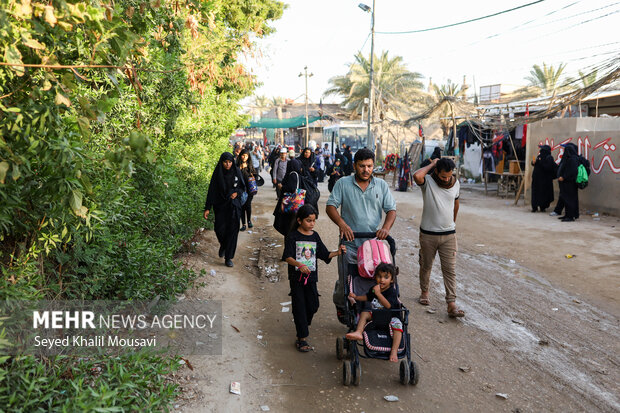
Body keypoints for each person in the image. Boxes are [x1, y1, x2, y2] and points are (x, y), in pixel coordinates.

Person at [326, 148, 397, 314]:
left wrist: (385, 228)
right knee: (347, 282)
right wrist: (342, 225)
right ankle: (341, 303)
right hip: (350, 244)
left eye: (369, 166)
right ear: (354, 166)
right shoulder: (343, 183)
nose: (366, 170)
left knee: (373, 282)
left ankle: (365, 314)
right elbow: (330, 206)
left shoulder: (381, 185)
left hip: (373, 247)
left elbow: (391, 210)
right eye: (362, 166)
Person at [282, 204, 345, 352]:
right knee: (299, 307)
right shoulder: (293, 236)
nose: (311, 224)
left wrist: (338, 252)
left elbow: (324, 254)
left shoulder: (315, 236)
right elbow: (287, 257)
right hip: (296, 278)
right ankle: (302, 338)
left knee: (313, 305)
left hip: (311, 278)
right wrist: (299, 264)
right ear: (299, 220)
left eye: (313, 221)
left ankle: (303, 323)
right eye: (308, 220)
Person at [412, 157, 464, 317]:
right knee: (426, 265)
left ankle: (451, 303)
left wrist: (452, 223)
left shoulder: (455, 184)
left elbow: (456, 204)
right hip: (428, 234)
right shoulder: (427, 181)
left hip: (448, 235)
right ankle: (425, 293)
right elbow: (416, 176)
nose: (447, 179)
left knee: (449, 270)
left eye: (449, 176)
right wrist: (433, 164)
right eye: (443, 176)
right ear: (436, 172)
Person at [345, 263, 403, 362]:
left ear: (392, 280)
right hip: (376, 315)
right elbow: (367, 297)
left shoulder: (391, 292)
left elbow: (388, 305)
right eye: (379, 277)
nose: (382, 280)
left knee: (398, 327)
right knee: (365, 313)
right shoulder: (374, 289)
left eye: (386, 277)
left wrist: (378, 294)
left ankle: (394, 351)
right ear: (375, 277)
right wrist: (356, 297)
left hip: (391, 316)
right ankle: (359, 332)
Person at [204, 152, 246, 267]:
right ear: (221, 162)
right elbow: (211, 191)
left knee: (233, 231)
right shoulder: (218, 173)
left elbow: (242, 187)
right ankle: (223, 245)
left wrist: (236, 193)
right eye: (225, 162)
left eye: (229, 162)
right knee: (219, 229)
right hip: (220, 205)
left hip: (234, 206)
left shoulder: (237, 171)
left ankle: (228, 257)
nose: (228, 164)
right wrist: (207, 208)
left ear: (232, 162)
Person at [273, 159, 305, 237]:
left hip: (290, 205)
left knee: (289, 226)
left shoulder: (292, 174)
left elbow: (291, 188)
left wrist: (282, 187)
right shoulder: (298, 174)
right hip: (296, 204)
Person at [550, 143, 580, 222]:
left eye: (565, 150)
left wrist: (564, 177)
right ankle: (567, 215)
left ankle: (570, 216)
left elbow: (572, 171)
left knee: (570, 200)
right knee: (566, 199)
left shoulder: (573, 159)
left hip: (570, 183)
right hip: (565, 183)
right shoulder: (568, 158)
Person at [531, 145, 557, 213]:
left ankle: (543, 207)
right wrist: (533, 163)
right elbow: (536, 163)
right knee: (535, 193)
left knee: (544, 194)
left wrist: (540, 162)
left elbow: (548, 167)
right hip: (537, 179)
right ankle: (535, 207)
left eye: (542, 150)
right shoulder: (540, 157)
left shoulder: (549, 158)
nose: (540, 151)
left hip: (545, 180)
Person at [237, 149, 256, 231]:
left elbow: (254, 175)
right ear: (240, 155)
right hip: (240, 189)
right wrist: (240, 168)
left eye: (246, 156)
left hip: (249, 189)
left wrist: (248, 170)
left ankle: (249, 221)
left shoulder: (250, 165)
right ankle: (243, 224)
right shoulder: (237, 165)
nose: (244, 157)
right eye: (243, 155)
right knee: (242, 206)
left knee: (248, 205)